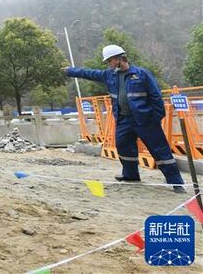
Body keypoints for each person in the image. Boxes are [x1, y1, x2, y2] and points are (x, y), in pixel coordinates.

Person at [64, 45, 185, 193]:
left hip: (145, 120)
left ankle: (176, 182)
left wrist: (156, 117)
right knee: (123, 146)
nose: (109, 64)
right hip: (123, 120)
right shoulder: (109, 75)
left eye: (110, 61)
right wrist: (70, 71)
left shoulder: (141, 74)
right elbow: (89, 73)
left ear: (120, 59)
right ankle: (130, 175)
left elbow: (156, 96)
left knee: (159, 150)